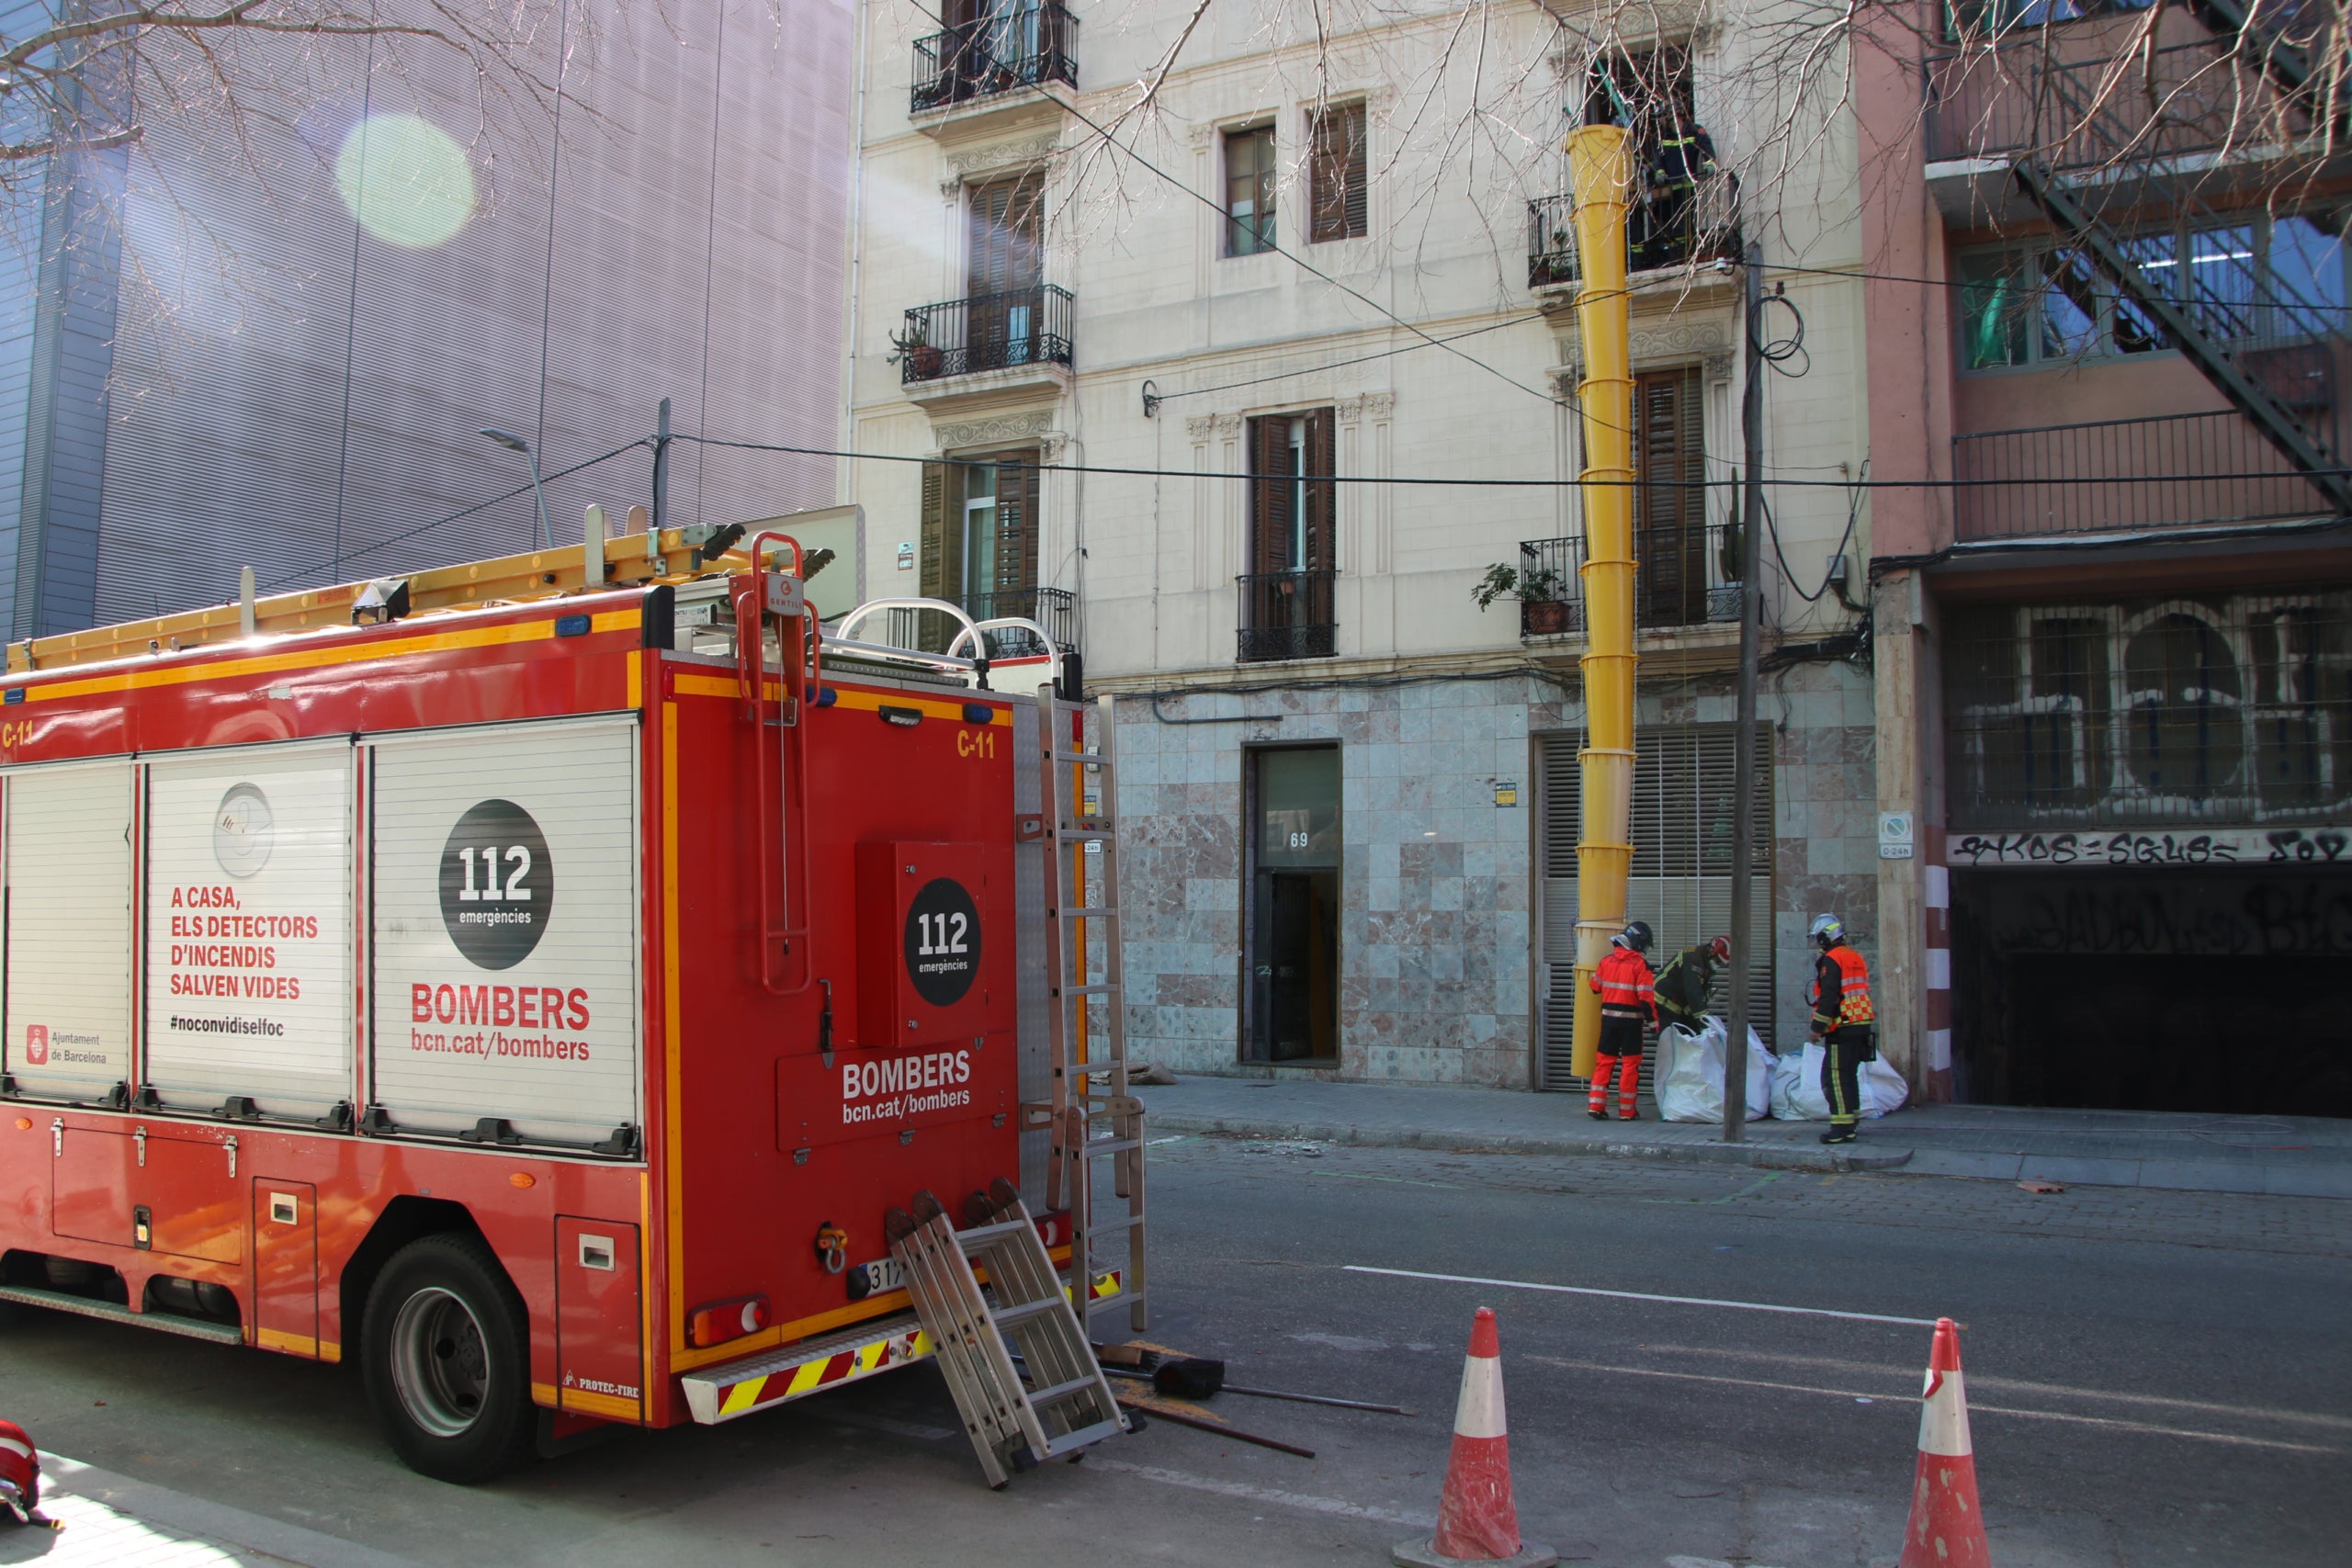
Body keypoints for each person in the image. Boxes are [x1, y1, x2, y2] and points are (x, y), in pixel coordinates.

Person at [1806, 913, 1876, 1145]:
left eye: (1819, 938)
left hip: (1842, 1027)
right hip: (1861, 1024)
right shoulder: (1854, 956)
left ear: (1827, 936)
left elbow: (1829, 997)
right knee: (1849, 1075)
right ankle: (1851, 1120)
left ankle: (1842, 1128)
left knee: (1834, 1076)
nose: (1818, 943)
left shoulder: (1832, 959)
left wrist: (1817, 1027)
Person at [1588, 920, 1656, 1122]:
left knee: (1604, 1063)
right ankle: (1627, 1111)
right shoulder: (1640, 965)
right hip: (1631, 1025)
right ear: (1638, 942)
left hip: (1608, 1022)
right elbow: (1646, 999)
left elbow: (1594, 987)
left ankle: (1596, 1105)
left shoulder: (1606, 961)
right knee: (1629, 1065)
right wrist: (1654, 1025)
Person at [1642, 118, 1719, 269]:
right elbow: (1658, 158)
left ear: (1682, 117)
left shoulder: (1694, 131)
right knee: (1665, 222)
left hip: (1686, 187)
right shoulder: (1663, 136)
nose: (1670, 122)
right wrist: (1660, 173)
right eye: (1669, 119)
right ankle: (1669, 254)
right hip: (1668, 190)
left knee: (1684, 223)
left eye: (1674, 118)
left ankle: (1683, 255)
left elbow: (1706, 148)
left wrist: (1709, 164)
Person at [1654, 934, 1731, 1036]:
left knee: (1691, 1038)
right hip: (1663, 1005)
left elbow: (1701, 994)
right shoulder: (1693, 960)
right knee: (1673, 1044)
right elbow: (1693, 993)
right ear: (1712, 952)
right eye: (1719, 961)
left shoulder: (1706, 964)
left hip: (1678, 1005)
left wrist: (1705, 1020)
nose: (1718, 965)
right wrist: (1704, 1023)